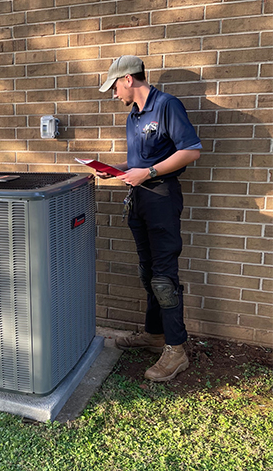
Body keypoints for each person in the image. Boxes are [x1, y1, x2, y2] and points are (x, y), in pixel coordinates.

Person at [98, 55, 202, 382]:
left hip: (161, 199)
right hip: (139, 200)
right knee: (148, 272)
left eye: (114, 87)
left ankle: (176, 349)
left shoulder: (168, 105)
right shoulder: (133, 116)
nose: (114, 94)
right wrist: (117, 172)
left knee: (163, 277)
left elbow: (191, 151)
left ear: (128, 79)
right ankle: (155, 334)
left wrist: (150, 171)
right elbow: (141, 163)